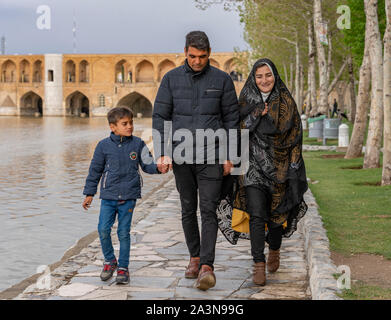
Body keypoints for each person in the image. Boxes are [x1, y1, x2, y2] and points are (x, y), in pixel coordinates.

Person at [152, 31, 240, 291]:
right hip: (181, 157)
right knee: (188, 209)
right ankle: (194, 256)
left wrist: (231, 155)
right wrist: (161, 152)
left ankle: (207, 266)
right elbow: (160, 116)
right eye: (192, 56)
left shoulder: (222, 80)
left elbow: (232, 120)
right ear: (185, 52)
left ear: (209, 53)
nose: (197, 61)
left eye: (202, 57)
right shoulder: (170, 79)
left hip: (212, 156)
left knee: (208, 210)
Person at [217, 58, 308, 286]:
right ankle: (258, 263)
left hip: (280, 168)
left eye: (268, 75)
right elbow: (237, 130)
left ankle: (274, 249)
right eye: (259, 76)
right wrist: (257, 114)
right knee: (257, 215)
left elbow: (295, 134)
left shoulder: (285, 100)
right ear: (253, 78)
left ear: (274, 76)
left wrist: (294, 165)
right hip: (252, 168)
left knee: (276, 216)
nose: (264, 80)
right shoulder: (246, 99)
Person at [82, 106, 167, 284]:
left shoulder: (138, 144)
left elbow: (147, 165)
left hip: (128, 196)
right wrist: (89, 193)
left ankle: (123, 267)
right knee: (103, 230)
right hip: (108, 196)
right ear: (113, 127)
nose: (130, 126)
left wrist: (159, 168)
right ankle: (109, 260)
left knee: (123, 232)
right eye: (125, 123)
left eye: (131, 123)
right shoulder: (103, 146)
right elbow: (95, 171)